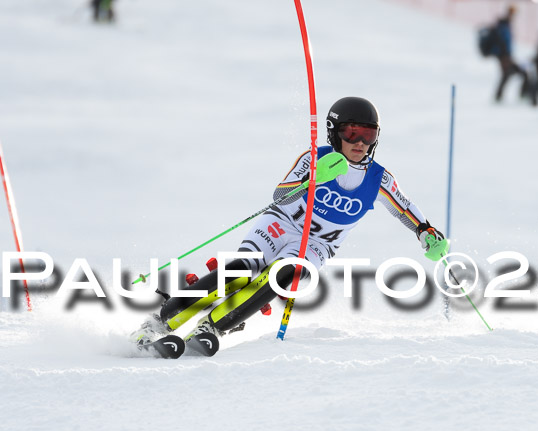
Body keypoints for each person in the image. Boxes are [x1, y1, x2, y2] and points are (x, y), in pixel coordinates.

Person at [130, 97, 448, 353]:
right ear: (335, 132)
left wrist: (426, 233)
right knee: (243, 269)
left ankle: (213, 325)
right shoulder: (314, 158)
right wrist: (313, 178)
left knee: (283, 276)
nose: (360, 142)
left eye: (368, 135)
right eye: (352, 132)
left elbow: (405, 209)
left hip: (316, 245)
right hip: (282, 223)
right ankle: (159, 322)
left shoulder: (379, 178)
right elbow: (279, 196)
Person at [492, 6, 529, 102]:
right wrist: (505, 57)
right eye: (513, 13)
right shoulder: (503, 25)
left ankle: (498, 97)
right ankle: (521, 96)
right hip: (504, 57)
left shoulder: (506, 24)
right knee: (518, 73)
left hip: (506, 56)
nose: (514, 16)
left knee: (506, 75)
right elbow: (503, 42)